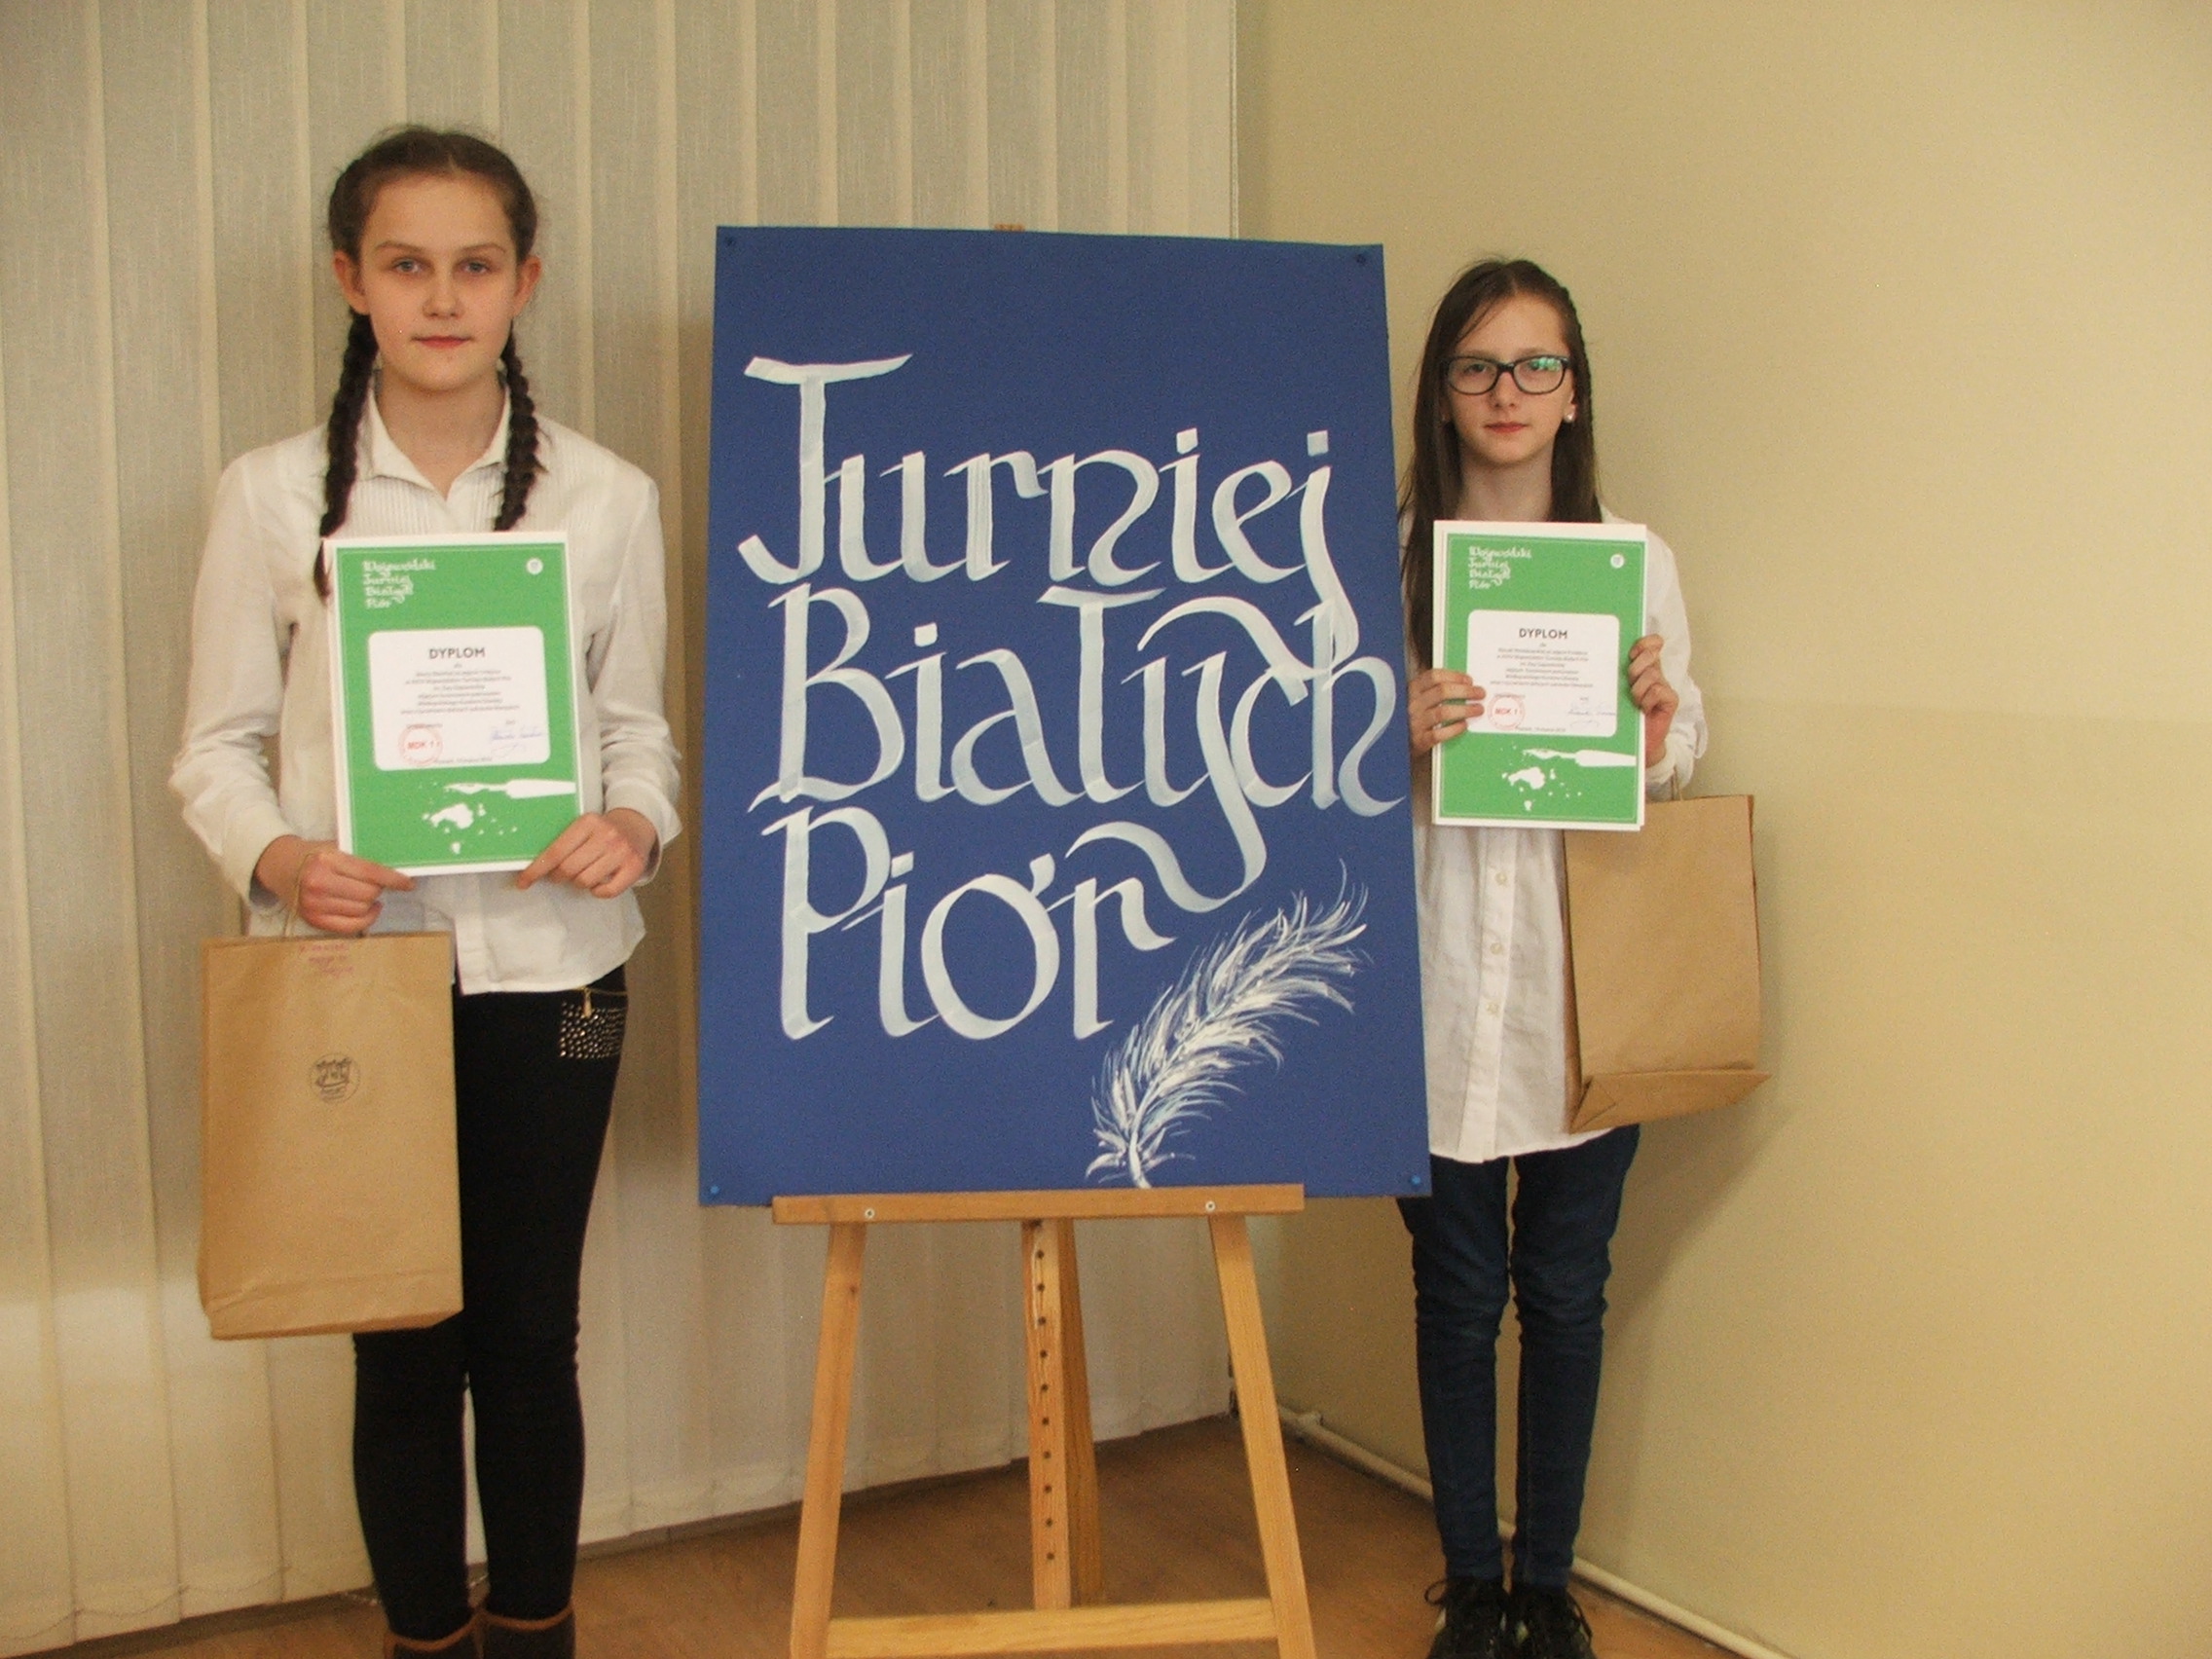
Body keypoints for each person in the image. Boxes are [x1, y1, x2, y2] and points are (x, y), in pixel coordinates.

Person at [172, 128, 680, 1659]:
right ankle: (421, 1641)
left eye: (475, 265)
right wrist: (281, 859)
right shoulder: (274, 498)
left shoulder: (606, 496)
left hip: (556, 968)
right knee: (399, 1341)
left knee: (529, 1337)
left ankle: (534, 1638)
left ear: (526, 281)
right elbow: (214, 748)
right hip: (358, 974)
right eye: (407, 264)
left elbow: (641, 734)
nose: (442, 298)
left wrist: (634, 825)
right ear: (352, 280)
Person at [1396, 259, 1705, 1659]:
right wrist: (1393, 727)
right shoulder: (1393, 553)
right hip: (1437, 976)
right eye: (1478, 365)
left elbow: (1680, 751)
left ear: (1575, 390)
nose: (1507, 392)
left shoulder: (1631, 558)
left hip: (1588, 986)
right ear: (1441, 390)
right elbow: (1314, 767)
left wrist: (1656, 721)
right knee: (1458, 1297)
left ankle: (1548, 1585)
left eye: (1536, 365)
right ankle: (1473, 1585)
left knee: (1569, 1294)